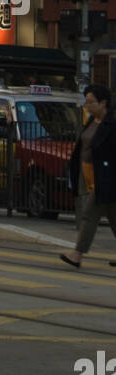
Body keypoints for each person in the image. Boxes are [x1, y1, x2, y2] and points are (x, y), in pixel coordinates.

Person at [60, 83, 116, 270]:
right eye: (87, 102)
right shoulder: (92, 122)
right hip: (90, 175)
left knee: (89, 215)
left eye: (92, 102)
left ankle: (77, 255)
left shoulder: (112, 124)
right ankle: (77, 254)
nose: (88, 106)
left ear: (103, 103)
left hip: (107, 178)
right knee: (113, 218)